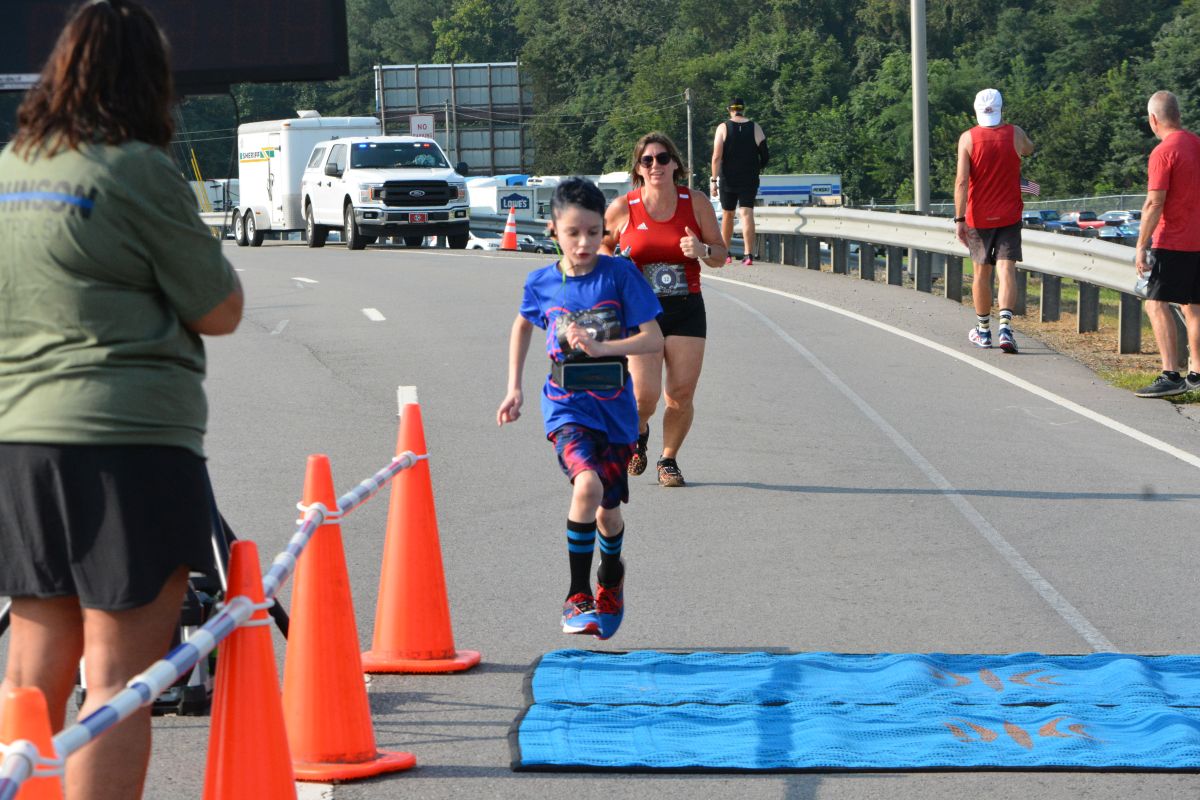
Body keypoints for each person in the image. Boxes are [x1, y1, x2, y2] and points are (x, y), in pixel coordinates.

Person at [0, 2, 243, 798]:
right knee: (117, 683)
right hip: (129, 444)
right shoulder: (137, 168)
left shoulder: (12, 169)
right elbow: (220, 309)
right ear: (148, 81)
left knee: (30, 677)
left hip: (21, 442)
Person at [496, 178, 663, 640]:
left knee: (608, 511)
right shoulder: (542, 282)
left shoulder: (619, 275)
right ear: (554, 230)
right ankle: (577, 595)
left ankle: (611, 575)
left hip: (615, 412)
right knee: (586, 485)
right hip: (566, 407)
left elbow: (653, 338)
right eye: (573, 233)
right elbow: (522, 325)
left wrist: (603, 347)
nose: (584, 243)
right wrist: (514, 388)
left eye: (593, 232)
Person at [603, 132, 727, 487]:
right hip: (641, 313)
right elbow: (598, 249)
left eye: (662, 158)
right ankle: (639, 431)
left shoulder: (695, 202)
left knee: (681, 394)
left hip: (686, 308)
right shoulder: (624, 207)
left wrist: (702, 250)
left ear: (675, 164)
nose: (655, 165)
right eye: (647, 160)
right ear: (638, 169)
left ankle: (668, 459)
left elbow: (720, 254)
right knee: (644, 397)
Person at [953, 88, 1035, 354]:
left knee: (981, 273)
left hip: (978, 217)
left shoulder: (967, 139)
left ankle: (984, 331)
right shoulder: (1015, 133)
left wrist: (959, 219)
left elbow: (962, 181)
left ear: (976, 111)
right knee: (1006, 269)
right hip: (1009, 215)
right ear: (1001, 110)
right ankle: (1006, 328)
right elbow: (1029, 149)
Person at [1133, 90, 1200, 398]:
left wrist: (1141, 244)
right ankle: (1196, 375)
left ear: (1153, 119)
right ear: (1179, 115)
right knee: (1194, 307)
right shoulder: (1196, 144)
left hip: (1173, 240)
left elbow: (1154, 202)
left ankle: (1171, 374)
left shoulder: (1163, 152)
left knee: (1155, 303)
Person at [710, 97, 768, 266]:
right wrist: (756, 168)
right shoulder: (755, 127)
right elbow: (765, 155)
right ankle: (748, 254)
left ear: (729, 109)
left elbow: (716, 156)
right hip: (749, 177)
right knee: (746, 213)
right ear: (743, 109)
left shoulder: (723, 127)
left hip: (728, 177)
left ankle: (725, 253)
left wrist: (714, 180)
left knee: (728, 214)